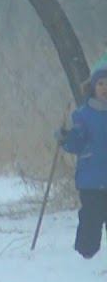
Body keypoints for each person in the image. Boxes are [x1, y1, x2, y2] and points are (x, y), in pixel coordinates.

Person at [61, 67, 107, 258]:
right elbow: (77, 143)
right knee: (91, 218)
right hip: (91, 179)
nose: (105, 88)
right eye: (101, 84)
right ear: (93, 87)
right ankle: (84, 253)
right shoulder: (83, 114)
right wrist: (66, 138)